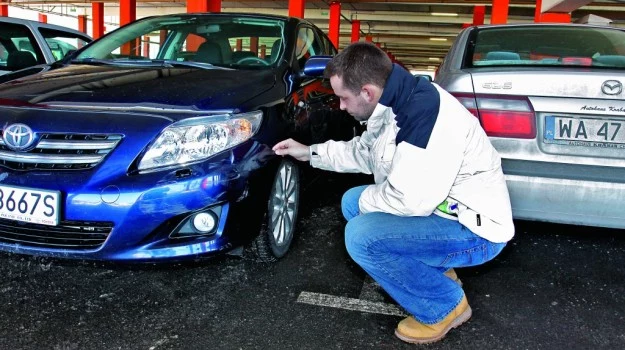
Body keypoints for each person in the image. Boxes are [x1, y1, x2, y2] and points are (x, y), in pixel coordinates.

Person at [272, 42, 514, 344]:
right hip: (443, 210)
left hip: (476, 231)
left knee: (361, 235)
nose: (342, 106)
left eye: (343, 98)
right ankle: (437, 271)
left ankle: (444, 306)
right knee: (352, 205)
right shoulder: (394, 102)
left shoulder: (424, 119)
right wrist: (309, 152)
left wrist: (365, 201)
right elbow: (365, 152)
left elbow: (408, 201)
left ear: (367, 92)